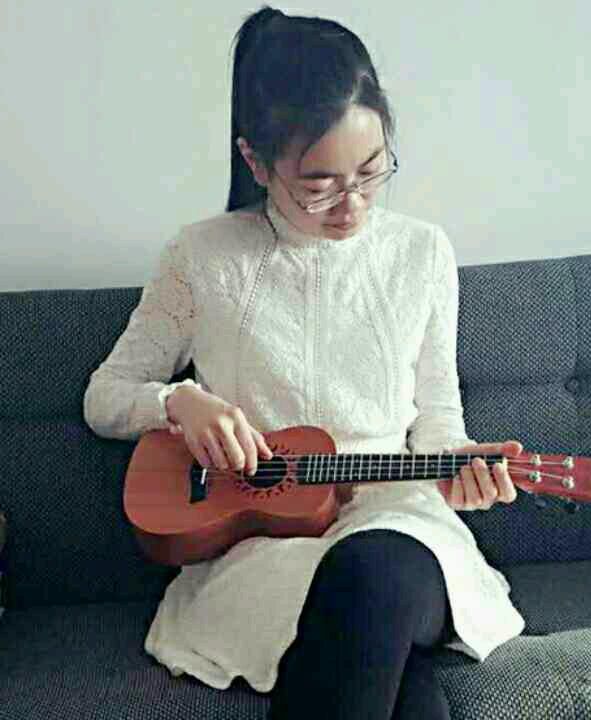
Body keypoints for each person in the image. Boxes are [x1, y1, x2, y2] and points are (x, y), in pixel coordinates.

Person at [83, 5, 526, 719]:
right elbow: (105, 395)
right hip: (267, 546)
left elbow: (439, 420)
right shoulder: (202, 257)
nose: (352, 206)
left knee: (372, 574)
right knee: (403, 685)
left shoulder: (422, 253)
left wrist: (458, 471)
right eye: (319, 185)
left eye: (372, 172)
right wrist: (179, 402)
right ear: (256, 162)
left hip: (396, 528)